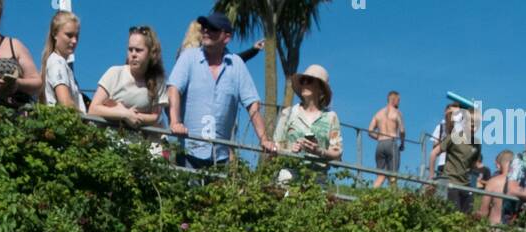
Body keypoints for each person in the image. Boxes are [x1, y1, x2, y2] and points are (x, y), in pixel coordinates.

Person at [167, 11, 274, 169]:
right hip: (188, 153)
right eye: (204, 28)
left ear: (226, 37)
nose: (206, 31)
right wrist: (175, 122)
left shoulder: (237, 64)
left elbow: (252, 104)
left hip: (221, 157)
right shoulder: (189, 57)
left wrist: (264, 139)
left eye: (213, 29)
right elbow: (173, 88)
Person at [88, 25, 166, 130]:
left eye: (138, 50)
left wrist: (133, 116)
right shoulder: (114, 73)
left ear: (151, 53)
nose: (133, 54)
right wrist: (124, 114)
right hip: (108, 138)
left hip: (138, 142)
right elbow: (93, 109)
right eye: (130, 49)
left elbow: (155, 116)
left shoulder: (158, 81)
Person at [272, 64, 341, 174]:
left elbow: (337, 153)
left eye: (309, 80)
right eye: (302, 80)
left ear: (320, 88)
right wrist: (290, 149)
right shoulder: (288, 113)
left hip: (318, 180)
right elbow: (275, 145)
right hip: (289, 176)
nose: (304, 83)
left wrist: (319, 151)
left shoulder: (331, 117)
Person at [433, 105, 480, 212]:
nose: (475, 129)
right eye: (472, 125)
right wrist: (431, 176)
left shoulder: (477, 144)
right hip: (450, 180)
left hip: (465, 185)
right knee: (453, 213)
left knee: (466, 216)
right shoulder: (453, 135)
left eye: (477, 126)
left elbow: (473, 164)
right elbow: (434, 153)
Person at [41, 7, 84, 111]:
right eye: (69, 35)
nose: (74, 41)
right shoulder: (57, 62)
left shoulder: (60, 63)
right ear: (55, 33)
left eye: (76, 36)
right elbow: (65, 103)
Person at [368, 89, 404, 187]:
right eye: (398, 100)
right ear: (394, 99)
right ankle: (393, 199)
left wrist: (379, 137)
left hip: (380, 145)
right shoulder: (397, 113)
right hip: (392, 143)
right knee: (393, 176)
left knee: (380, 175)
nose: (399, 102)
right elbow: (402, 130)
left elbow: (370, 131)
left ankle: (370, 197)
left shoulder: (378, 113)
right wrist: (402, 143)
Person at [475, 149, 516, 225]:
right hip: (514, 230)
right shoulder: (519, 183)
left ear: (498, 165)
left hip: (494, 229)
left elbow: (483, 212)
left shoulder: (493, 182)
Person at [427, 101, 460, 178]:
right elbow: (434, 147)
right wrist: (445, 144)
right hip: (442, 164)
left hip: (457, 165)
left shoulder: (461, 128)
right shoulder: (440, 127)